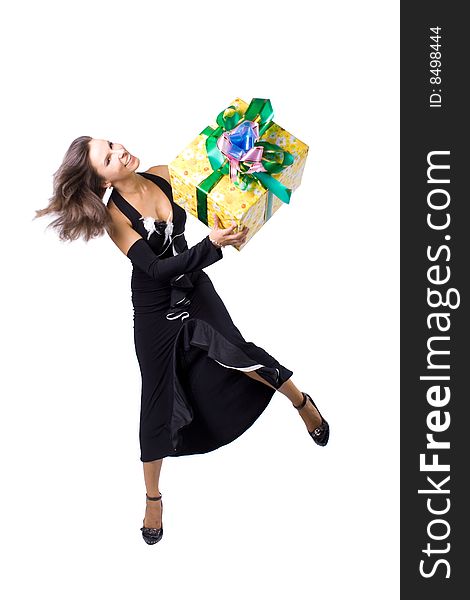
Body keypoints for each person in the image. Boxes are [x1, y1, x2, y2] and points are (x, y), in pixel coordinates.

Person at [35, 136, 329, 545]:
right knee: (158, 397)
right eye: (108, 157)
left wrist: (237, 159)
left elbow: (213, 187)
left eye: (113, 143)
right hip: (156, 308)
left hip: (194, 286)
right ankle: (153, 498)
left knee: (237, 352)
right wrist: (211, 246)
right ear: (100, 178)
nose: (120, 151)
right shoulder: (114, 218)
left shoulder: (161, 174)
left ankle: (301, 403)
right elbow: (155, 270)